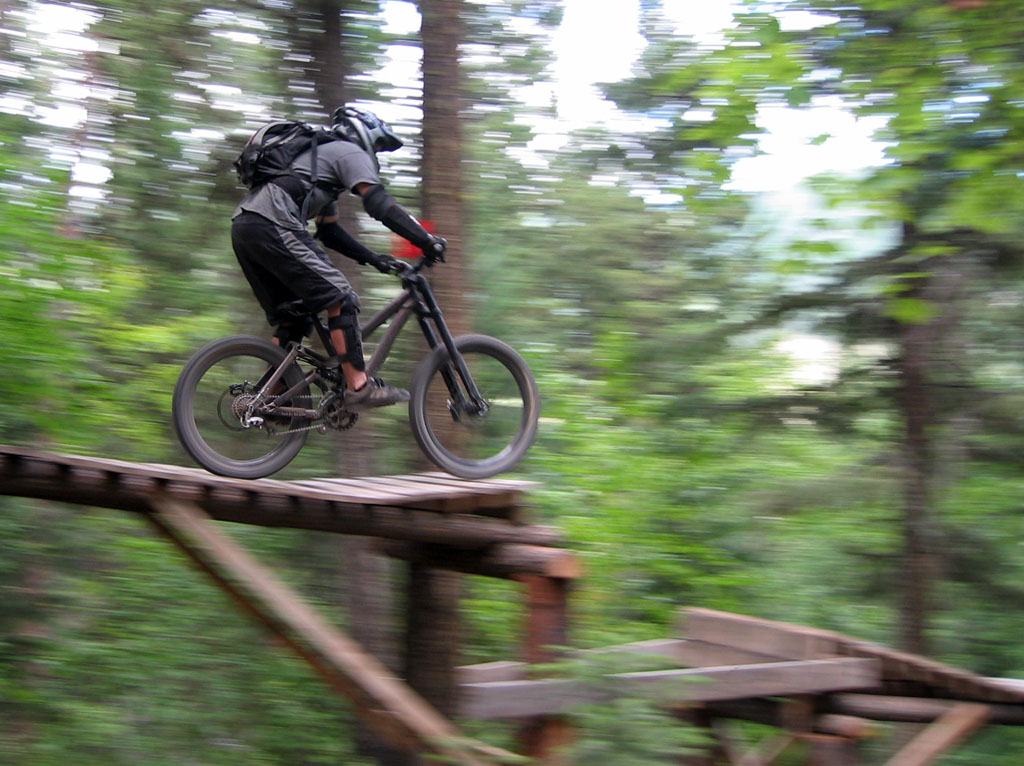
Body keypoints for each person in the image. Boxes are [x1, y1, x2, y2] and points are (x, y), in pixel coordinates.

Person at [230, 105, 446, 410]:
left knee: (295, 316)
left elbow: (330, 233)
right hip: (272, 224)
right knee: (341, 298)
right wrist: (426, 241)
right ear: (364, 133)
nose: (377, 154)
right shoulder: (348, 151)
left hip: (245, 227)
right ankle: (358, 387)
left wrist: (375, 259)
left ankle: (270, 400)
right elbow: (379, 203)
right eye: (379, 146)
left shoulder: (320, 167)